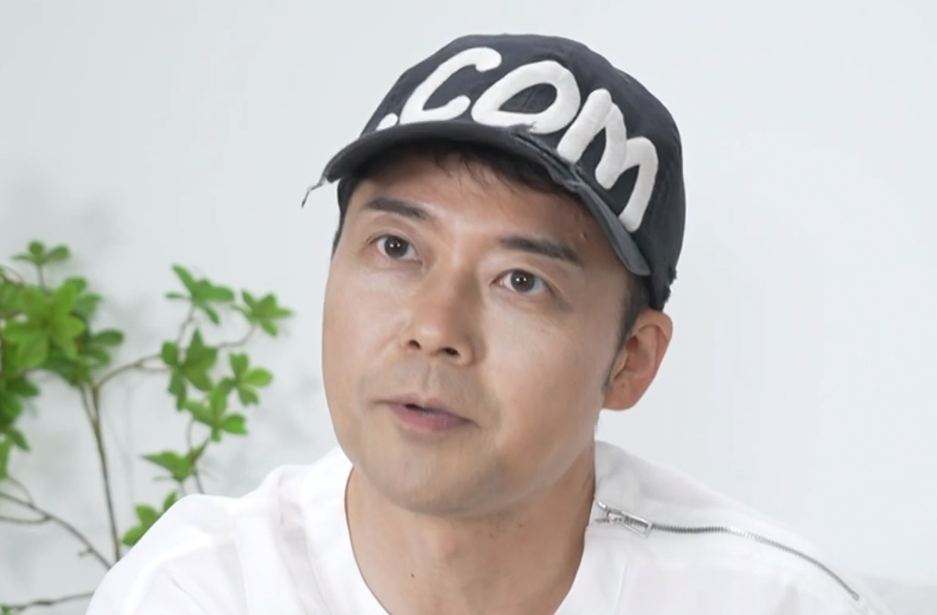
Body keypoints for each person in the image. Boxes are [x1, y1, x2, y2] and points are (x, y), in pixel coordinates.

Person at [86, 33, 893, 615]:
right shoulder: (196, 590)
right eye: (396, 247)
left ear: (630, 361)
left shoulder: (772, 601)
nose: (434, 328)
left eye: (521, 281)